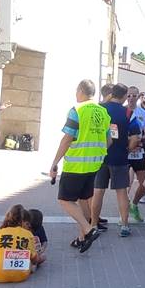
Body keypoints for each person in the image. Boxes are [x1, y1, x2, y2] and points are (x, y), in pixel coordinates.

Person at [49, 79, 109, 253]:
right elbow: (109, 140)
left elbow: (67, 138)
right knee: (83, 199)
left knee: (65, 200)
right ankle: (82, 237)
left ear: (80, 91)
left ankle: (89, 229)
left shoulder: (77, 111)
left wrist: (54, 162)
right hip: (94, 164)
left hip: (76, 164)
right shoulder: (103, 112)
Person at [92, 83, 139, 237]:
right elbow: (135, 137)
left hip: (100, 156)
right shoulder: (128, 112)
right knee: (121, 192)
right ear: (125, 96)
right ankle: (124, 225)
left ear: (112, 93)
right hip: (119, 157)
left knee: (98, 191)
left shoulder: (99, 109)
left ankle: (93, 224)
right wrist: (128, 148)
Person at [126, 86, 145, 218]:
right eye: (129, 95)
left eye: (134, 95)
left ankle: (134, 204)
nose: (131, 98)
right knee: (124, 186)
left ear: (138, 97)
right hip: (125, 152)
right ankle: (123, 215)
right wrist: (129, 141)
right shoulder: (122, 112)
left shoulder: (143, 113)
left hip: (139, 152)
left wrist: (139, 139)